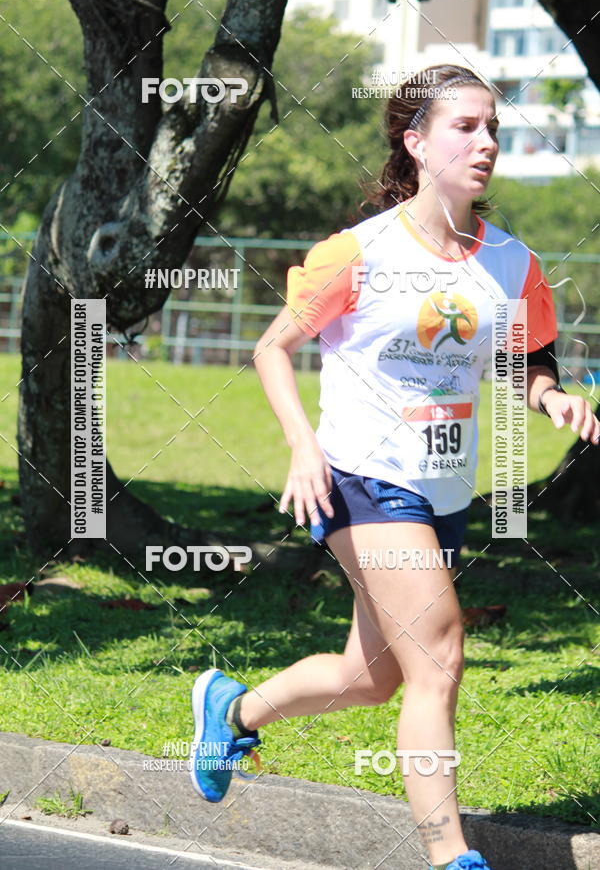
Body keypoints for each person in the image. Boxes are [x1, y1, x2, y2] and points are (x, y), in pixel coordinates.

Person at [188, 64, 600, 870]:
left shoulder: (513, 264)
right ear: (415, 143)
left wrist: (550, 397)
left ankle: (231, 713)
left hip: (442, 492)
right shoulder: (359, 252)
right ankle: (452, 858)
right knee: (440, 655)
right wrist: (304, 447)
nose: (485, 144)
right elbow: (272, 348)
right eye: (464, 127)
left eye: (493, 129)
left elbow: (525, 359)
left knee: (370, 675)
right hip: (361, 478)